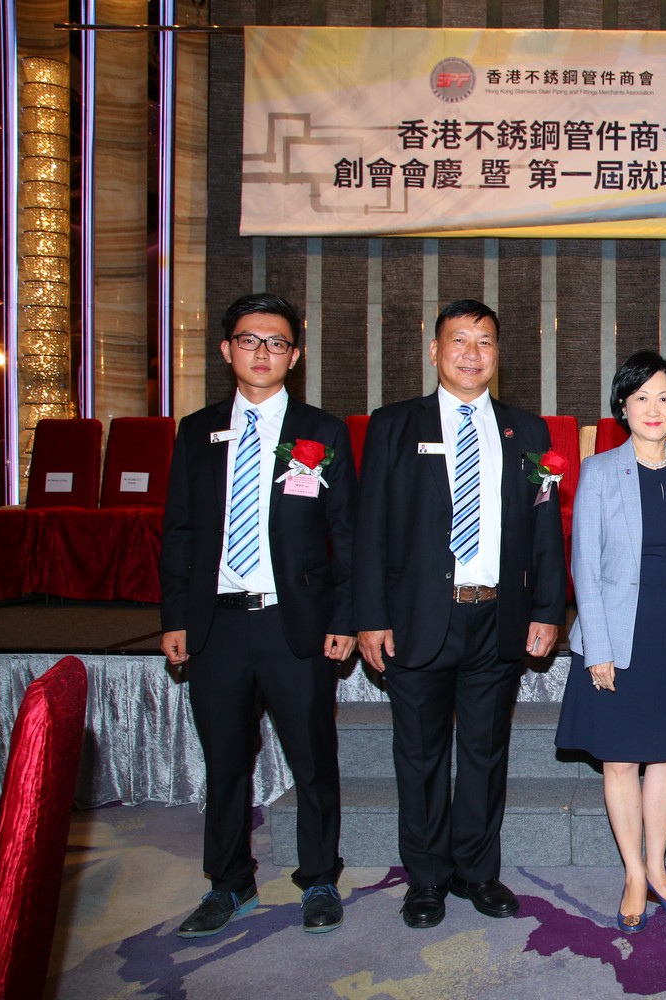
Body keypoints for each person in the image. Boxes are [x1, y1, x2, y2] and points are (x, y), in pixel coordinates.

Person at [354, 298, 565, 929]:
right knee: (419, 756)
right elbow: (370, 530)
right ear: (435, 350)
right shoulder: (394, 425)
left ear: (498, 354)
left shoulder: (527, 431)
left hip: (497, 617)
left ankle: (477, 870)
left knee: (484, 753)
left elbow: (544, 528)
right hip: (418, 619)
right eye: (459, 340)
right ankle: (426, 878)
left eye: (485, 342)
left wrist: (547, 608)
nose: (473, 354)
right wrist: (370, 616)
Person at [160, 292, 356, 936]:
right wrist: (175, 617)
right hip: (216, 625)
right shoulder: (197, 431)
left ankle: (319, 878)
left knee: (312, 758)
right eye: (249, 340)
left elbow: (346, 535)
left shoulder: (321, 432)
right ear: (227, 350)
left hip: (294, 624)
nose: (263, 352)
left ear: (295, 356)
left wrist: (343, 618)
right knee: (225, 763)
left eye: (277, 342)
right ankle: (228, 882)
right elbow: (179, 531)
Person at [555, 351, 666, 933]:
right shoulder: (601, 470)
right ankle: (632, 872)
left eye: (665, 398)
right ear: (623, 407)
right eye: (641, 398)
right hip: (617, 632)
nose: (654, 409)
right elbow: (585, 565)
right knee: (622, 758)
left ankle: (658, 867)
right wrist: (598, 648)